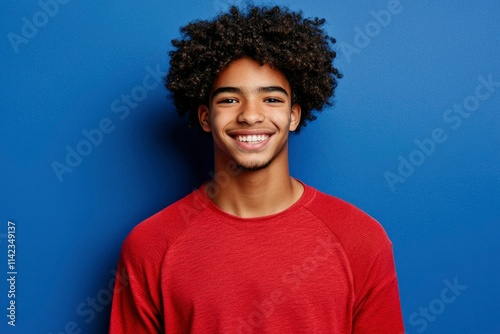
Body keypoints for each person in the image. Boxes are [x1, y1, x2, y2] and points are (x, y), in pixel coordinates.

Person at [109, 5, 404, 333]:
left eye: (272, 100)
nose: (250, 115)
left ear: (294, 115)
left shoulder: (359, 239)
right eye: (230, 100)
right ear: (206, 117)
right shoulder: (151, 245)